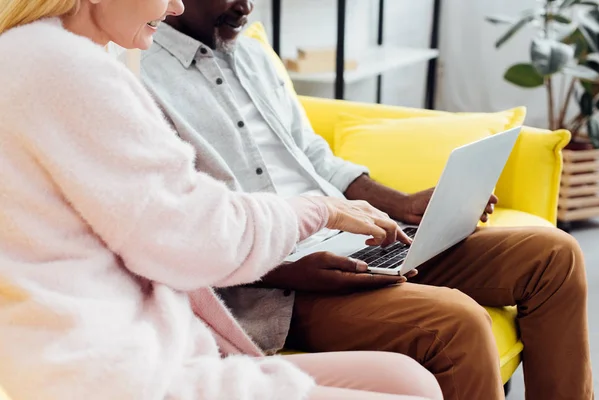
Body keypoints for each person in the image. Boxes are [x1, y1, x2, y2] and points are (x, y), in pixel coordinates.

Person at [139, 1, 594, 399]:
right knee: (457, 323)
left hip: (355, 238)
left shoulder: (253, 55)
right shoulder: (139, 80)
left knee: (555, 256)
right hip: (277, 284)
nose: (247, 7)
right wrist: (283, 269)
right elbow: (171, 229)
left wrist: (406, 205)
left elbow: (314, 156)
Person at [0, 1, 446, 400]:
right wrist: (316, 209)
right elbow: (192, 233)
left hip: (125, 351)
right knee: (422, 369)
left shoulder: (43, 55)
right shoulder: (69, 70)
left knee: (411, 381)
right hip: (114, 372)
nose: (174, 5)